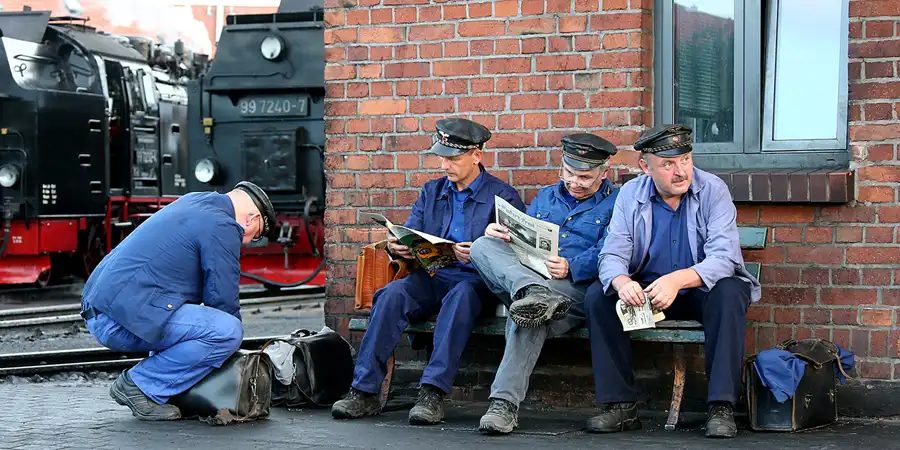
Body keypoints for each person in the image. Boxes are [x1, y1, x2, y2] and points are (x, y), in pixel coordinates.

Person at [331, 118, 526, 425]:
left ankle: (432, 393)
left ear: (476, 155)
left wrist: (475, 251)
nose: (444, 165)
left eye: (452, 159)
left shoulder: (503, 196)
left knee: (460, 297)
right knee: (391, 295)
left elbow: (515, 253)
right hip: (433, 275)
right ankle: (364, 391)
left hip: (477, 283)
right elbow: (413, 231)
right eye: (441, 157)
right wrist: (399, 247)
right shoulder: (431, 191)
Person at [583, 124, 761, 438]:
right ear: (645, 167)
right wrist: (623, 281)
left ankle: (721, 407)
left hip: (699, 288)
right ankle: (620, 406)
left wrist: (678, 280)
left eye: (685, 160)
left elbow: (725, 257)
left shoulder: (713, 190)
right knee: (599, 295)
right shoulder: (630, 195)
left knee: (732, 291)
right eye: (667, 164)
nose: (680, 171)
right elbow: (612, 253)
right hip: (649, 294)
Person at [79, 181, 277, 421]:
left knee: (203, 324)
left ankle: (163, 389)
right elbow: (223, 301)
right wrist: (226, 356)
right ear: (251, 219)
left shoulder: (195, 201)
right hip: (118, 319)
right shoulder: (223, 225)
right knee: (227, 331)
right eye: (254, 236)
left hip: (104, 308)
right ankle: (141, 386)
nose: (245, 242)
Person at [468, 132, 620, 434]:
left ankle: (504, 404)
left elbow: (613, 251)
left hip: (575, 288)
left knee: (530, 313)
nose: (575, 182)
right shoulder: (547, 196)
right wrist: (504, 236)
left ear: (604, 173)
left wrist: (572, 266)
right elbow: (527, 234)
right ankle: (531, 291)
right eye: (569, 173)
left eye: (585, 177)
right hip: (531, 276)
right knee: (481, 246)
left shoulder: (618, 203)